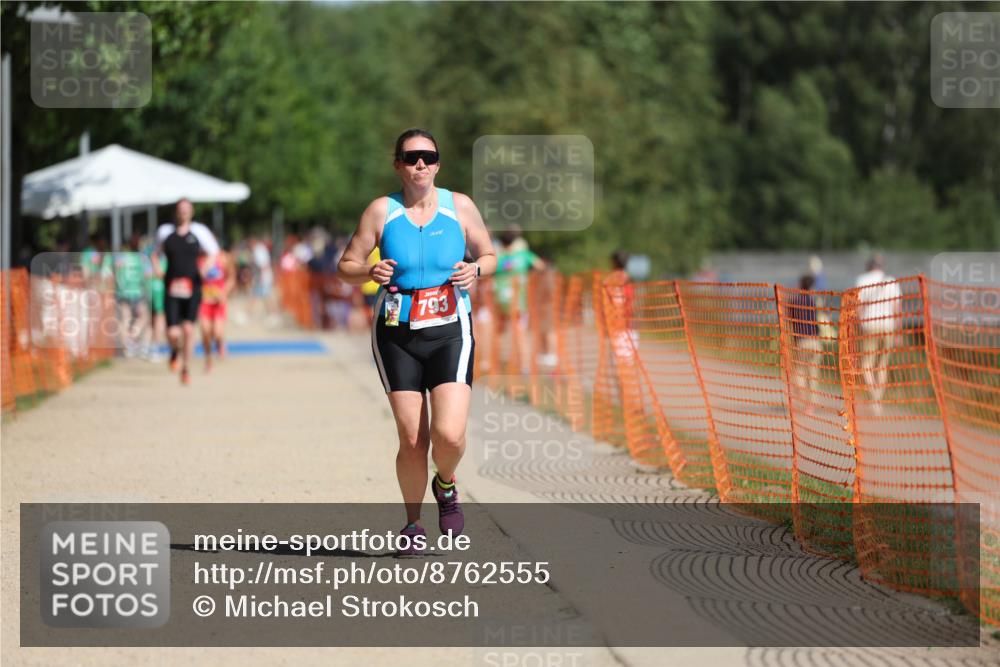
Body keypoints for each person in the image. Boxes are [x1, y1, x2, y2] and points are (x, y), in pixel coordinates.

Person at [337, 128, 497, 553]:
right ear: (398, 165)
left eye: (428, 156)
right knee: (412, 439)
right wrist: (367, 271)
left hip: (450, 330)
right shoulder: (381, 211)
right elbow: (346, 264)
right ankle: (412, 524)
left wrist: (476, 270)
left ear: (438, 164)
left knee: (450, 436)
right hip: (396, 333)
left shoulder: (459, 206)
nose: (420, 164)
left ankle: (445, 483)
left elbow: (489, 255)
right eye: (411, 158)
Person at [152, 199, 220, 385]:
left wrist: (205, 268)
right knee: (173, 333)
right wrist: (157, 268)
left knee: (189, 330)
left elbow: (214, 252)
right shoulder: (165, 232)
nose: (183, 212)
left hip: (193, 287)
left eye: (186, 209)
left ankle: (186, 368)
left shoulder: (199, 231)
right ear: (176, 211)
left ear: (192, 212)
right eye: (180, 209)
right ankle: (174, 350)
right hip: (171, 287)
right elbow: (154, 252)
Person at [854, 254, 902, 416]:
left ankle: (874, 399)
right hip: (888, 326)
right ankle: (877, 402)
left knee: (866, 365)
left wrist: (858, 325)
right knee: (882, 366)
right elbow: (897, 308)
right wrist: (898, 331)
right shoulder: (892, 281)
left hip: (869, 325)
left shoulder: (861, 280)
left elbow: (858, 307)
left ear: (869, 265)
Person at [101, 233, 149, 357]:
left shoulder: (116, 257)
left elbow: (106, 274)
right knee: (143, 317)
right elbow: (147, 275)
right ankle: (132, 338)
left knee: (125, 319)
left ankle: (127, 349)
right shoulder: (140, 257)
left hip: (122, 292)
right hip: (137, 292)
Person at [787, 274, 822, 415]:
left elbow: (789, 319)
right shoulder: (813, 301)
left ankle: (801, 396)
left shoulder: (794, 301)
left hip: (801, 342)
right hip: (815, 342)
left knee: (799, 373)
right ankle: (810, 406)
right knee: (812, 376)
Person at [198, 246, 236, 371]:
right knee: (205, 331)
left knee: (217, 333)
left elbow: (231, 278)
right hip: (204, 301)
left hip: (219, 302)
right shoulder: (198, 258)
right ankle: (208, 358)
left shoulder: (223, 258)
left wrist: (224, 292)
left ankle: (220, 343)